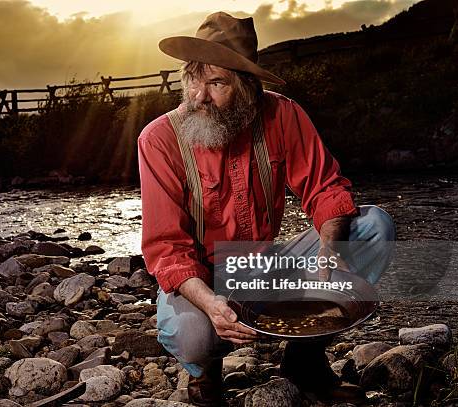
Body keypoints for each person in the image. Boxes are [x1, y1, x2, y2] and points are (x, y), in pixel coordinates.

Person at [137, 11, 395, 406]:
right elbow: (167, 247)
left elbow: (325, 189)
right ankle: (206, 371)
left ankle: (305, 360)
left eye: (217, 82)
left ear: (246, 86)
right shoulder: (158, 140)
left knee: (374, 225)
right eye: (193, 79)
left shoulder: (283, 114)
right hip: (201, 276)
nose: (200, 96)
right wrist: (210, 302)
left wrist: (330, 255)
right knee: (193, 338)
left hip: (264, 264)